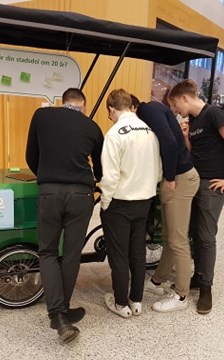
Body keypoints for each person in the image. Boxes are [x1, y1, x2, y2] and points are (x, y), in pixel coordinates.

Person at [25, 88, 103, 343]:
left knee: (47, 252)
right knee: (71, 255)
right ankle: (63, 310)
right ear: (83, 103)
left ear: (63, 101)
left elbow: (31, 156)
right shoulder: (92, 127)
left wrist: (48, 176)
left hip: (49, 193)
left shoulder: (41, 116)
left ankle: (57, 315)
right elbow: (100, 170)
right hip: (81, 195)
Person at [168, 79, 224, 314]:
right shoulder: (196, 120)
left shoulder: (214, 114)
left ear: (184, 98)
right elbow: (196, 152)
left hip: (212, 184)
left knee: (206, 236)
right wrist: (187, 137)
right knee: (193, 232)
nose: (176, 111)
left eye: (175, 106)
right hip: (194, 182)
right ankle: (198, 276)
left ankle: (206, 288)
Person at [100, 89, 162, 318]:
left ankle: (119, 303)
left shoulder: (115, 134)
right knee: (137, 252)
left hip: (120, 203)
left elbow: (111, 176)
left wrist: (105, 203)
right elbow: (158, 170)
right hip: (144, 201)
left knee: (118, 255)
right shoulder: (149, 132)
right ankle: (136, 301)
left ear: (112, 109)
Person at [136, 100, 200, 313]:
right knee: (169, 236)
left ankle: (181, 295)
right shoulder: (154, 109)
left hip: (180, 178)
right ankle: (157, 281)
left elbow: (170, 143)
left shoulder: (147, 110)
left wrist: (170, 178)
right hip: (179, 177)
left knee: (178, 239)